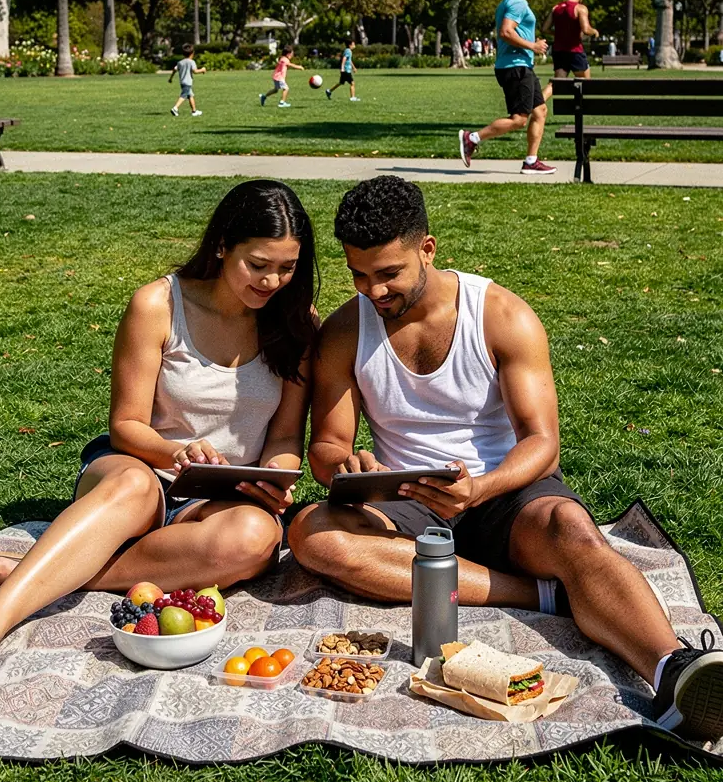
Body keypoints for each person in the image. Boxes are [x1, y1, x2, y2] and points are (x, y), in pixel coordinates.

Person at [288, 176, 723, 744]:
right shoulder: (346, 330)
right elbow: (326, 444)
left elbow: (543, 442)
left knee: (571, 525)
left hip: (504, 495)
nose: (374, 290)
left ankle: (674, 670)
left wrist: (481, 488)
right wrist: (344, 467)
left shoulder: (499, 315)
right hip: (407, 506)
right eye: (359, 275)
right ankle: (546, 594)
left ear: (427, 249)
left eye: (389, 273)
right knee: (311, 533)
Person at [0, 180, 318, 695]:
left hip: (221, 496)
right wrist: (177, 452)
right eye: (257, 264)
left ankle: (48, 570)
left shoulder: (297, 324)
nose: (271, 280)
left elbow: (286, 435)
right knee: (131, 489)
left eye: (286, 268)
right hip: (141, 466)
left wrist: (277, 476)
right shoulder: (159, 304)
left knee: (256, 539)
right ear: (223, 245)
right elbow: (126, 424)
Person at [458, 0, 556, 175]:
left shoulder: (510, 1)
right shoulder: (516, 2)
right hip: (515, 67)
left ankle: (531, 161)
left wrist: (531, 41)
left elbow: (513, 31)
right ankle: (472, 138)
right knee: (519, 120)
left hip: (520, 65)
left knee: (540, 111)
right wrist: (533, 45)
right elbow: (506, 32)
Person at [542, 0, 600, 79]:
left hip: (559, 51)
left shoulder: (556, 8)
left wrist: (559, 34)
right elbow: (586, 29)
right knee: (586, 84)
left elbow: (545, 29)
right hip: (575, 51)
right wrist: (594, 31)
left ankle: (541, 95)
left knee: (556, 85)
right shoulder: (580, 8)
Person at [170, 44, 205, 118]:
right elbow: (195, 71)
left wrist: (171, 78)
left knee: (190, 95)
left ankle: (194, 111)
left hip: (182, 82)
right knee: (183, 95)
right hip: (188, 82)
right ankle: (175, 108)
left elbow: (175, 69)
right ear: (192, 53)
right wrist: (202, 70)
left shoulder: (180, 62)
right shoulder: (191, 62)